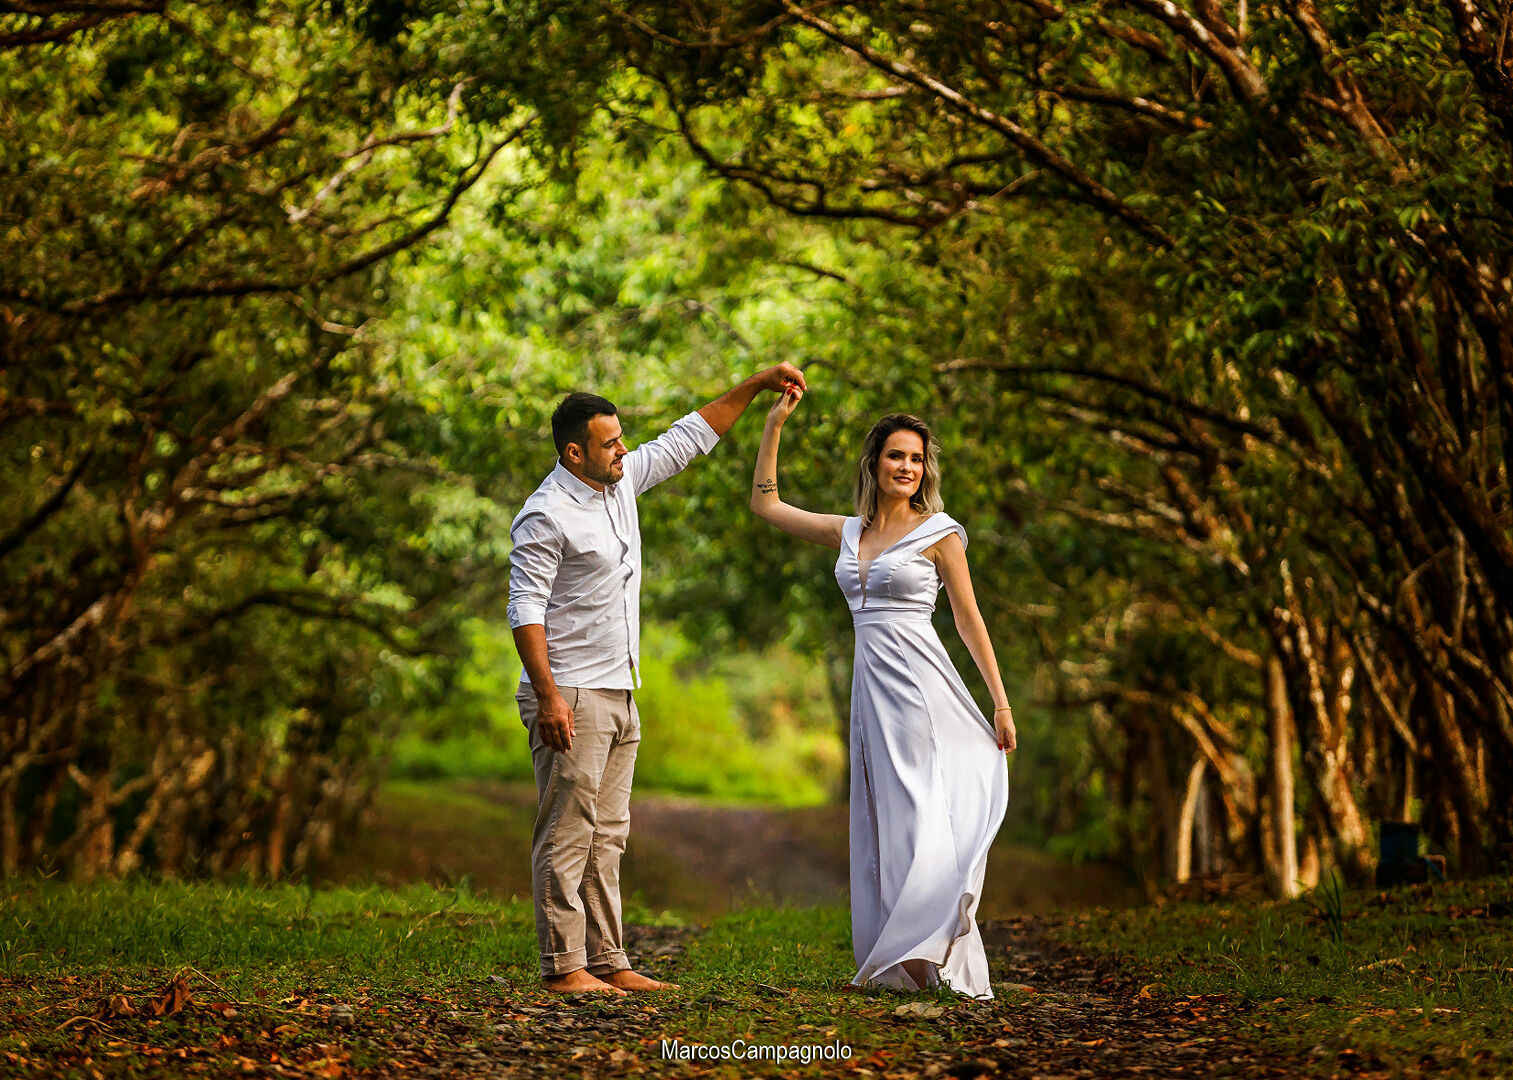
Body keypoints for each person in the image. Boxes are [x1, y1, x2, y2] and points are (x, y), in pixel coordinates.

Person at [506, 364, 806, 996]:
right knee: (566, 831)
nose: (623, 450)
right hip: (572, 693)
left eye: (621, 440)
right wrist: (551, 697)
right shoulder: (545, 515)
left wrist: (754, 386)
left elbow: (690, 436)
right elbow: (524, 610)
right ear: (574, 451)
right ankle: (564, 968)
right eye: (610, 442)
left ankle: (609, 960)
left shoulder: (619, 485)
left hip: (620, 687)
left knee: (608, 835)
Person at [749, 386, 1014, 999]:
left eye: (916, 459)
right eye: (896, 455)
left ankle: (932, 950)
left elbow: (969, 619)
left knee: (922, 814)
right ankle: (904, 961)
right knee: (884, 820)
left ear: (925, 470)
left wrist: (998, 702)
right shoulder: (849, 532)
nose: (906, 467)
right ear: (874, 464)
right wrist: (773, 424)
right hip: (871, 697)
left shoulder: (940, 533)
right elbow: (767, 506)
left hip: (921, 687)